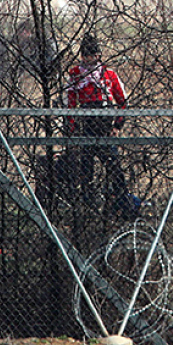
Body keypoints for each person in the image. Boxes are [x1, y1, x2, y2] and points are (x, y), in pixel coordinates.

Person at [65, 33, 140, 220]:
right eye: (85, 55)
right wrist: (72, 130)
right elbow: (70, 104)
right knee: (85, 170)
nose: (88, 59)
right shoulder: (74, 75)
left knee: (114, 168)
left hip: (104, 125)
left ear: (98, 55)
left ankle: (123, 205)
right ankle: (86, 209)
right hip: (85, 126)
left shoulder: (109, 74)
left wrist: (117, 126)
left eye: (92, 55)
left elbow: (123, 102)